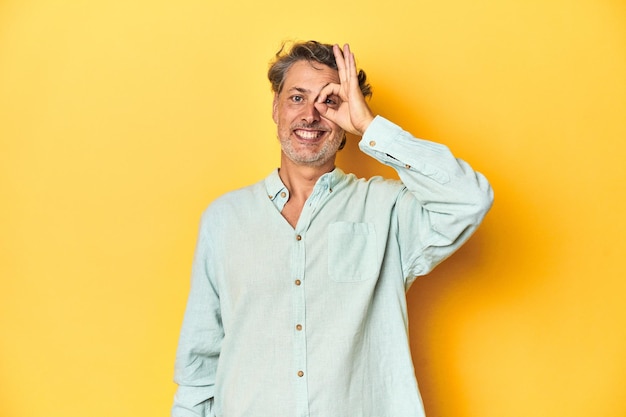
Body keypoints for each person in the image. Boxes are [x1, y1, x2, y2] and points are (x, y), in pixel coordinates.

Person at [171, 41, 493, 417]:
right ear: (276, 108)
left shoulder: (387, 211)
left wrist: (369, 126)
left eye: (329, 102)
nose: (310, 115)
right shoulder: (224, 220)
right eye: (296, 98)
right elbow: (199, 367)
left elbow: (469, 199)